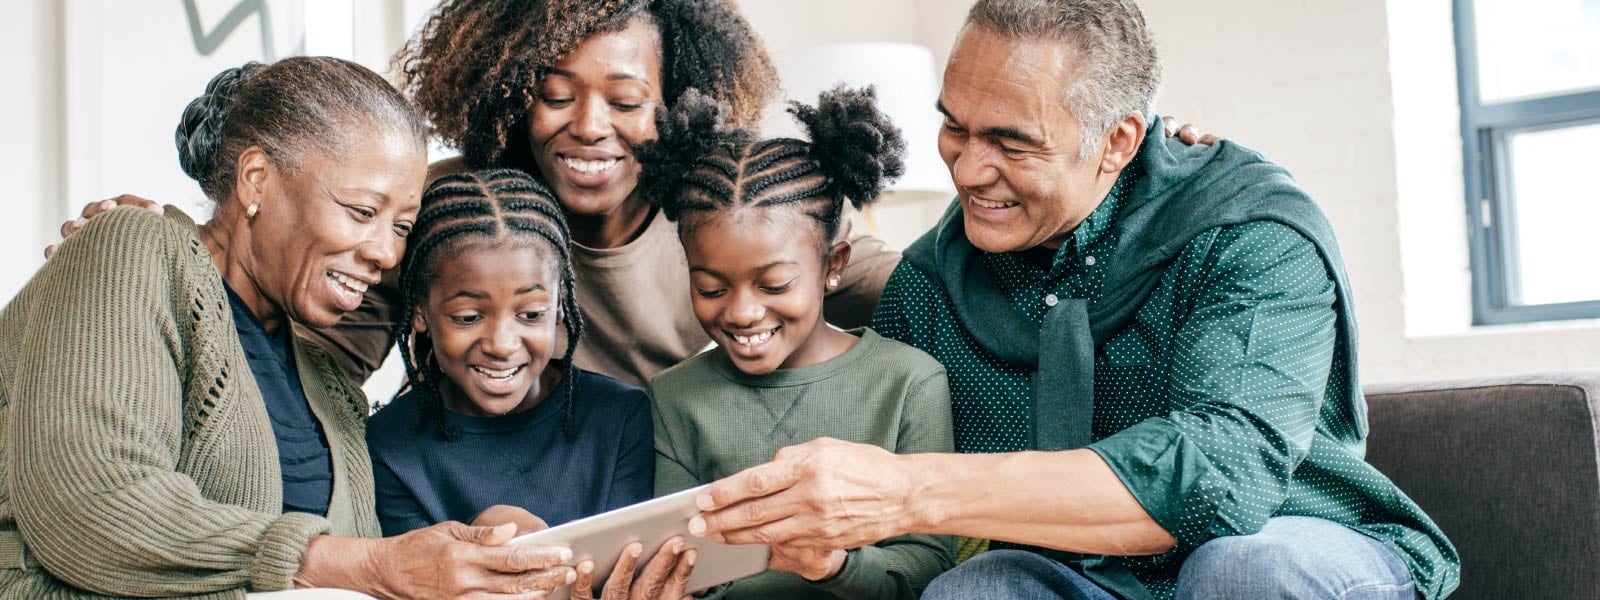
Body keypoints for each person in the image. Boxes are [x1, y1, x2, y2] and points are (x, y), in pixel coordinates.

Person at [678, 1, 1461, 599]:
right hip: (1079, 577)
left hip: (1291, 541)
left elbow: (1218, 478)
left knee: (1241, 570)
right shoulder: (925, 286)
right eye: (956, 127)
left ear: (1118, 141)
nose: (968, 169)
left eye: (1012, 143)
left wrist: (910, 490)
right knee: (973, 591)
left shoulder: (1249, 235)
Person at [0, 58, 573, 598]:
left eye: (400, 225)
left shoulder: (324, 381)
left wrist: (481, 548)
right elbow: (91, 504)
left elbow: (354, 567)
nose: (385, 253)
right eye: (361, 211)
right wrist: (372, 565)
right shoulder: (137, 249)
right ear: (255, 179)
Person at [638, 87, 955, 599]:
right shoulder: (676, 396)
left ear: (833, 266)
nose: (741, 312)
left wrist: (831, 565)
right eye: (711, 288)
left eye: (774, 285)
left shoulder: (909, 383)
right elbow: (680, 566)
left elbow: (927, 573)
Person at [366, 168, 695, 599]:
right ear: (422, 313)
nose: (502, 345)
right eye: (468, 317)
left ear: (560, 305)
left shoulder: (619, 416)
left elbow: (635, 572)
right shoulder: (388, 446)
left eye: (531, 314)